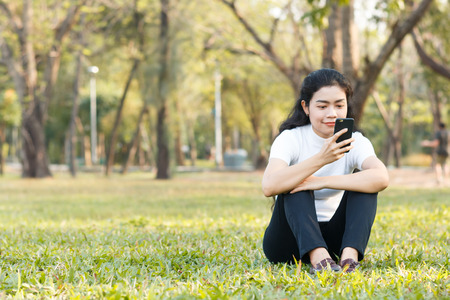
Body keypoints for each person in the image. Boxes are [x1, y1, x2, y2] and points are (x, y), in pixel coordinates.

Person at [261, 68, 389, 274]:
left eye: (339, 105)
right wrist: (321, 159)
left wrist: (322, 181)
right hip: (288, 241)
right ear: (306, 107)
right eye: (322, 106)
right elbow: (269, 185)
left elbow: (381, 177)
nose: (332, 113)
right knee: (294, 179)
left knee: (365, 182)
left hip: (335, 240)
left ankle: (349, 258)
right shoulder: (290, 139)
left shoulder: (354, 141)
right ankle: (319, 258)